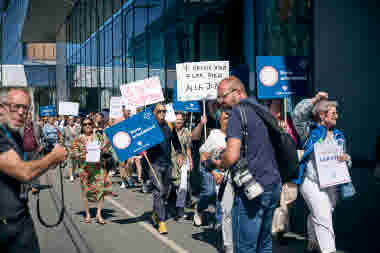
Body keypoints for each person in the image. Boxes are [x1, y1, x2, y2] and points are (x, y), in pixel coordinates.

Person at [218, 76, 282, 253]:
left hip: (252, 189)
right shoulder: (262, 109)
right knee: (265, 244)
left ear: (237, 92)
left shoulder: (237, 114)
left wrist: (219, 163)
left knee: (246, 247)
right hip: (273, 184)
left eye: (223, 96)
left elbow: (231, 156)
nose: (221, 101)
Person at [0, 88, 67, 253]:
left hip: (19, 218)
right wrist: (52, 158)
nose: (22, 112)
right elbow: (24, 172)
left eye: (26, 108)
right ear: (2, 108)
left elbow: (26, 169)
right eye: (16, 107)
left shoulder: (13, 134)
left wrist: (49, 160)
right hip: (6, 225)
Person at [292, 98, 353, 253]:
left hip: (332, 184)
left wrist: (347, 159)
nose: (337, 116)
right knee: (324, 217)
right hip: (310, 182)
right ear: (321, 115)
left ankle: (312, 242)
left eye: (336, 113)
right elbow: (297, 115)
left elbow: (345, 159)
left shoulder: (339, 135)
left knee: (321, 212)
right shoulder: (309, 132)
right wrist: (315, 100)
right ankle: (329, 250)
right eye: (333, 113)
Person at [199, 109, 234, 253]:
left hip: (241, 178)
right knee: (227, 212)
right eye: (225, 116)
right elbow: (203, 156)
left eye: (231, 116)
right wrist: (213, 172)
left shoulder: (240, 134)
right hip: (223, 179)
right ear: (220, 119)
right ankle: (228, 245)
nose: (228, 118)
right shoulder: (214, 136)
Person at [71, 118, 113, 224]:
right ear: (82, 126)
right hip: (84, 169)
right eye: (85, 124)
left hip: (98, 168)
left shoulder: (98, 136)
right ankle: (88, 214)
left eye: (89, 123)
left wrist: (105, 147)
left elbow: (105, 148)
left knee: (100, 191)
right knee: (85, 192)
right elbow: (73, 154)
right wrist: (81, 155)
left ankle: (98, 214)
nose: (87, 126)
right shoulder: (78, 139)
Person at [148, 103, 181, 234]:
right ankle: (161, 221)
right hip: (153, 164)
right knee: (158, 190)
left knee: (166, 192)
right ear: (154, 114)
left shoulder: (169, 126)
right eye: (159, 111)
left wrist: (179, 153)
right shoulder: (149, 127)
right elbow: (139, 143)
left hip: (167, 164)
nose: (162, 114)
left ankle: (155, 212)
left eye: (164, 111)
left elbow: (176, 142)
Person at [171, 112, 193, 222]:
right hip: (171, 162)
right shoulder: (169, 131)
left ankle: (180, 210)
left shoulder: (187, 132)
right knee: (175, 185)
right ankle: (174, 206)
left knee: (182, 186)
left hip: (183, 162)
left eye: (180, 119)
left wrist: (191, 161)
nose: (178, 121)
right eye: (176, 119)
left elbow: (188, 148)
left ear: (183, 121)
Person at [62, 115, 80, 182]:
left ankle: (73, 172)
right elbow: (62, 138)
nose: (70, 121)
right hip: (68, 147)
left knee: (75, 162)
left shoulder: (78, 127)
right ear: (67, 121)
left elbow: (80, 136)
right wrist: (63, 147)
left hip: (76, 146)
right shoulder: (65, 128)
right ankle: (71, 175)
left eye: (72, 119)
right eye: (69, 119)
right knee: (69, 161)